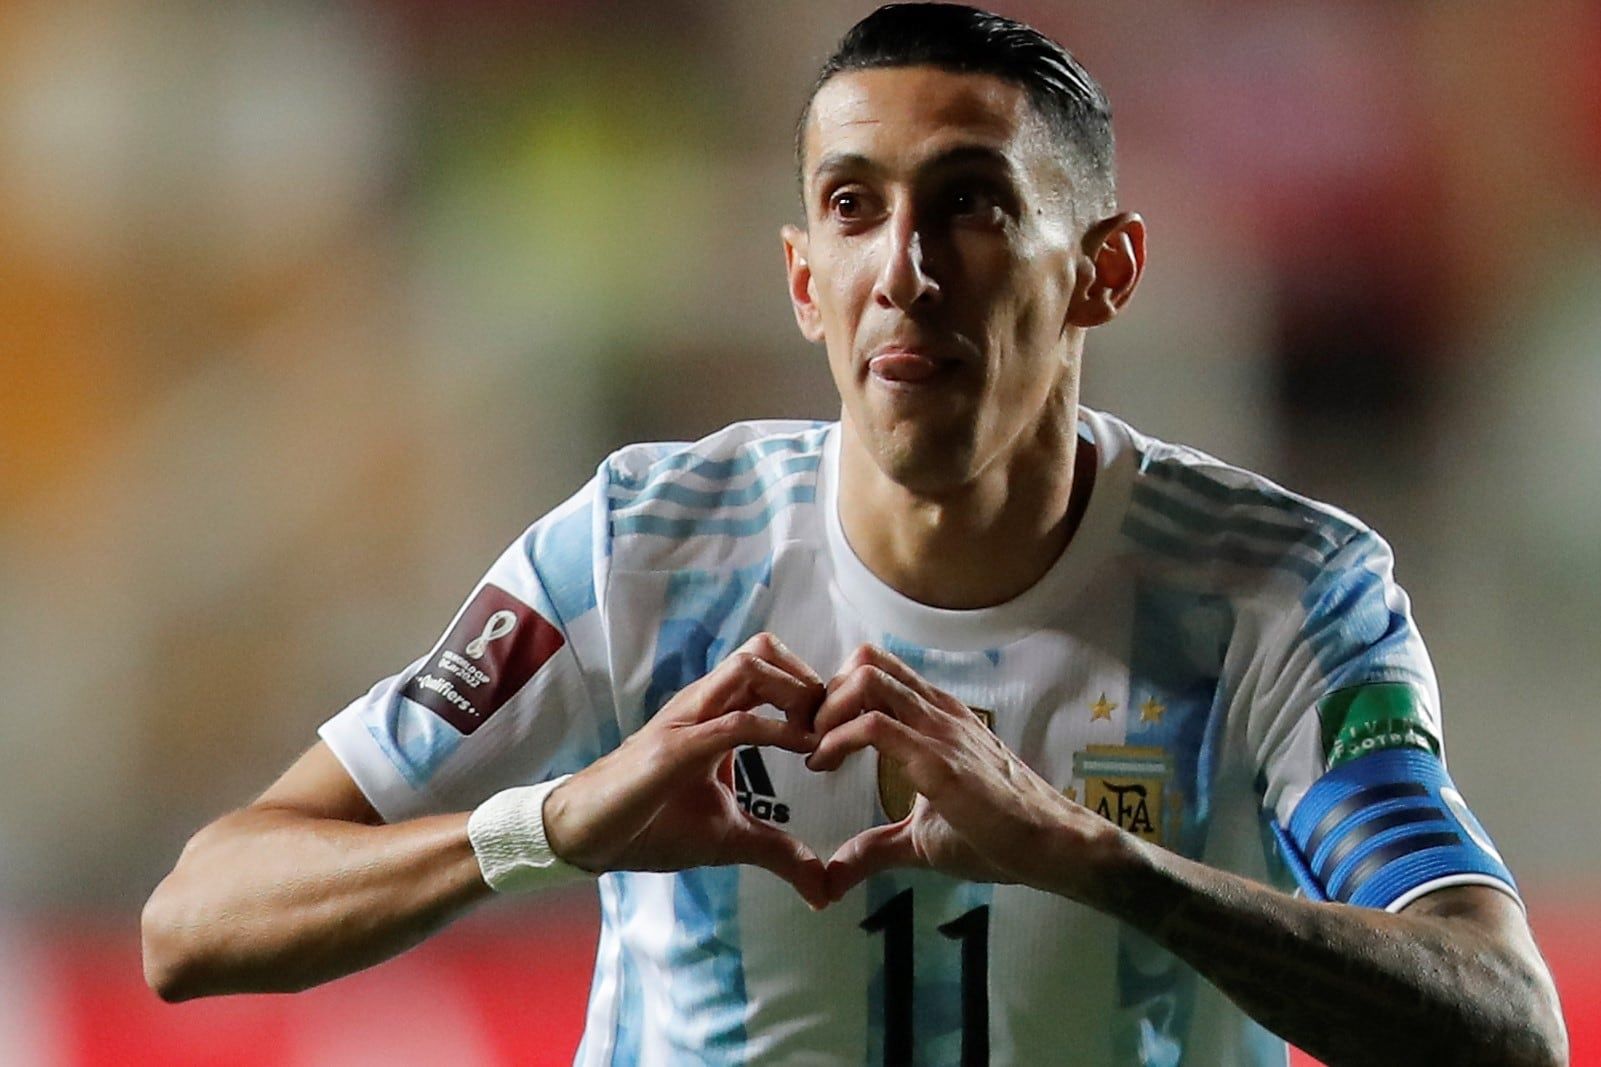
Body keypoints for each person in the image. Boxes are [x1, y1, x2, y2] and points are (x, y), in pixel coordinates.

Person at [142, 5, 1567, 1065]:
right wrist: (550, 826)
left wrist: (1097, 864)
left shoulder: (1272, 596)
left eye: (972, 206)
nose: (906, 270)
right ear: (800, 280)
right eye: (852, 209)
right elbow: (195, 922)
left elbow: (1503, 1019)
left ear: (1105, 274)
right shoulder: (644, 554)